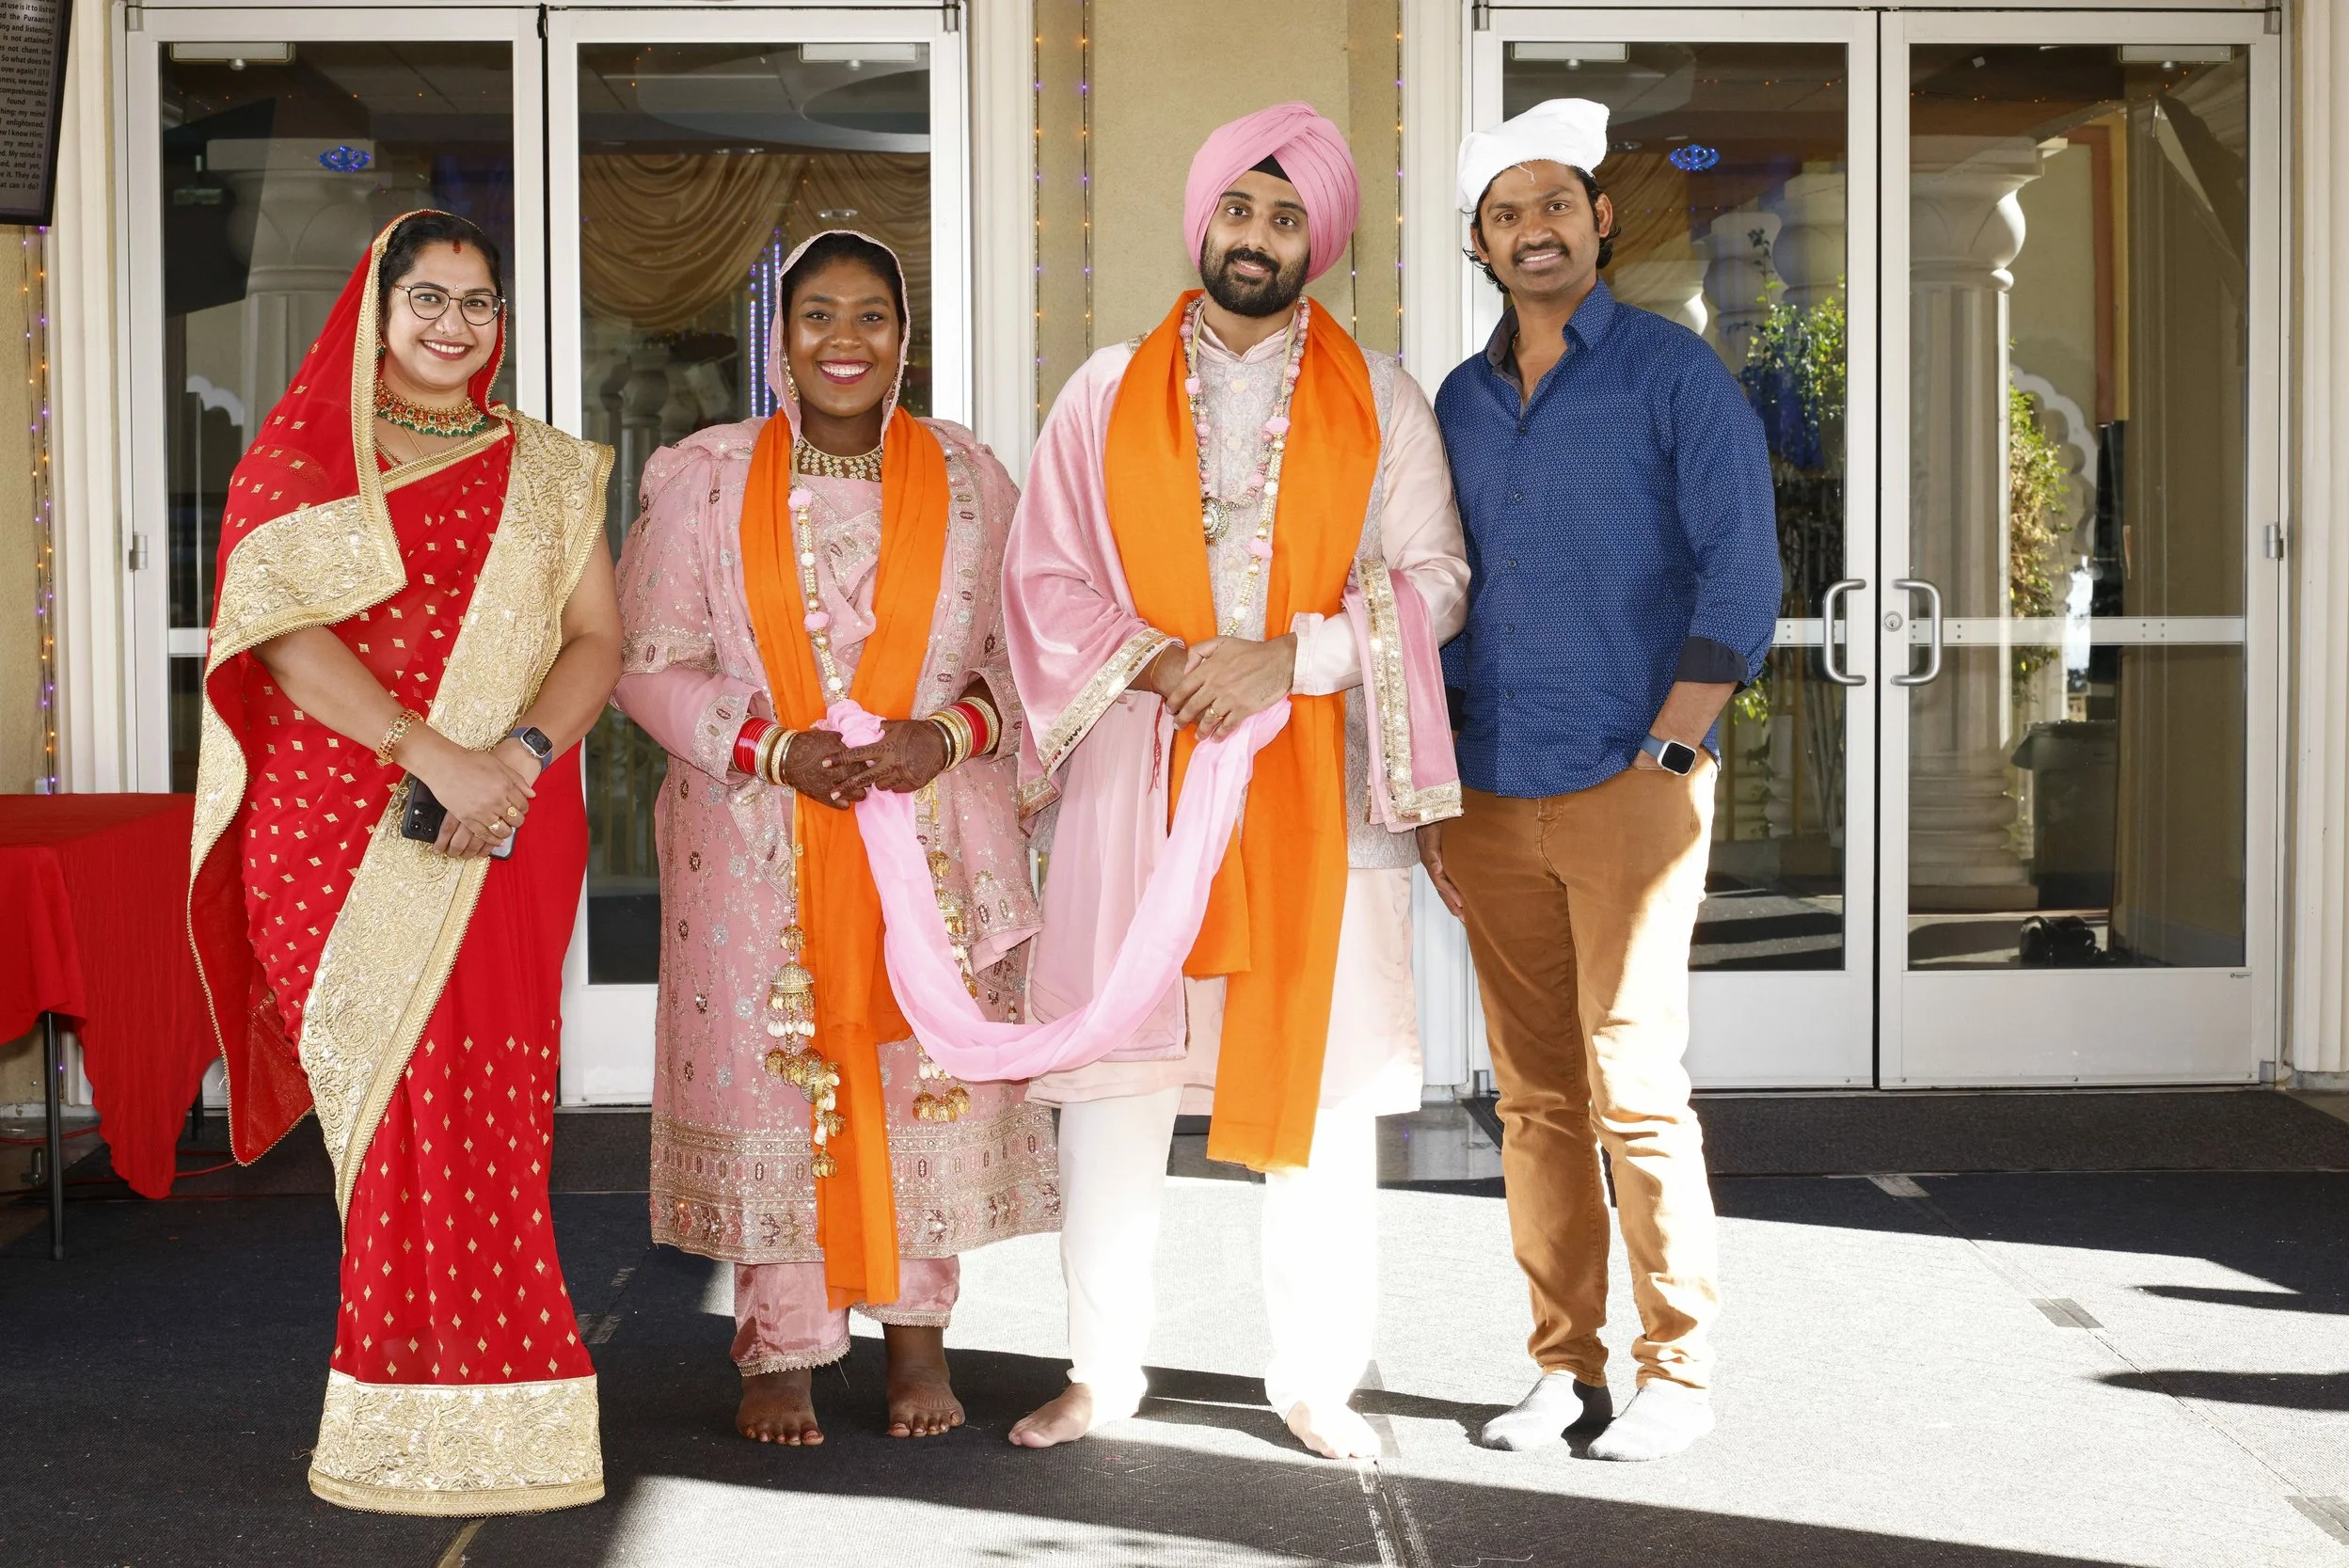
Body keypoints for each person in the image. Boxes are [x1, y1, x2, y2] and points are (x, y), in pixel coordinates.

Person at [1002, 103, 1468, 1461]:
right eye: (1239, 212)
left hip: (1311, 788)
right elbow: (1043, 581)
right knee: (1116, 1088)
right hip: (1136, 784)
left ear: (1318, 239)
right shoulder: (1101, 390)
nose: (1257, 238)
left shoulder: (1381, 396)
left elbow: (1436, 580)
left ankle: (1317, 1377)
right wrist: (1161, 668)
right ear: (1202, 221)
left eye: (1284, 218)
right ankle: (1103, 1368)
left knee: (1318, 1102)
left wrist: (1293, 658)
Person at [186, 210, 621, 1513]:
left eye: (477, 302)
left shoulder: (545, 472)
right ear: (377, 312)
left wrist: (521, 756)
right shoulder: (306, 455)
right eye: (426, 298)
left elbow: (596, 633)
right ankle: (389, 1406)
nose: (453, 324)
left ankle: (512, 1405)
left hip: (508, 820)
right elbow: (274, 637)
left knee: (492, 1103)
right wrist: (431, 750)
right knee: (388, 1114)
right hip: (338, 824)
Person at [613, 230, 1057, 1448]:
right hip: (762, 832)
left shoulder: (971, 479)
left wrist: (945, 734)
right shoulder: (703, 478)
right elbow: (647, 664)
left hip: (931, 828)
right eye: (819, 314)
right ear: (781, 336)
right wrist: (768, 746)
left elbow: (1023, 662)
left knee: (920, 1074)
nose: (845, 338)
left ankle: (920, 1330)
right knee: (783, 1065)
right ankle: (783, 1347)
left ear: (905, 339)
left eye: (872, 315)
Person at [1422, 99, 1782, 1462]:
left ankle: (1677, 1372)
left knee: (1633, 1084)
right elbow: (1442, 596)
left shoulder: (1675, 376)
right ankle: (1563, 1369)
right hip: (1493, 788)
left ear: (1600, 219)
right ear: (1479, 241)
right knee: (1534, 1098)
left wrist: (1673, 745)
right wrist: (1441, 785)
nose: (1534, 231)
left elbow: (1742, 567)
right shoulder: (1458, 401)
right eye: (1507, 214)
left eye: (1555, 205)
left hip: (1633, 776)